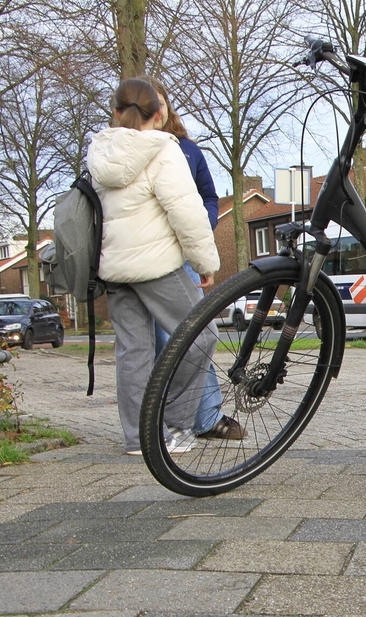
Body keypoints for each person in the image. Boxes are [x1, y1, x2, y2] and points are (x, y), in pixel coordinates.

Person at [87, 78, 221, 455]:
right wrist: (204, 261)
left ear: (115, 112)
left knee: (134, 353)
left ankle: (138, 439)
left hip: (113, 269)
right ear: (159, 114)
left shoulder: (99, 153)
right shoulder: (164, 149)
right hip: (157, 266)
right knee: (203, 333)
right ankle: (176, 427)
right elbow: (187, 211)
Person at [144, 76, 246, 441]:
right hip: (143, 257)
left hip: (181, 254)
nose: (156, 111)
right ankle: (160, 422)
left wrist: (202, 229)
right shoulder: (127, 151)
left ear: (167, 108)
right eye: (147, 105)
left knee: (191, 337)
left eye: (160, 103)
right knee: (152, 343)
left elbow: (208, 197)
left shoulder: (186, 151)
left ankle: (204, 416)